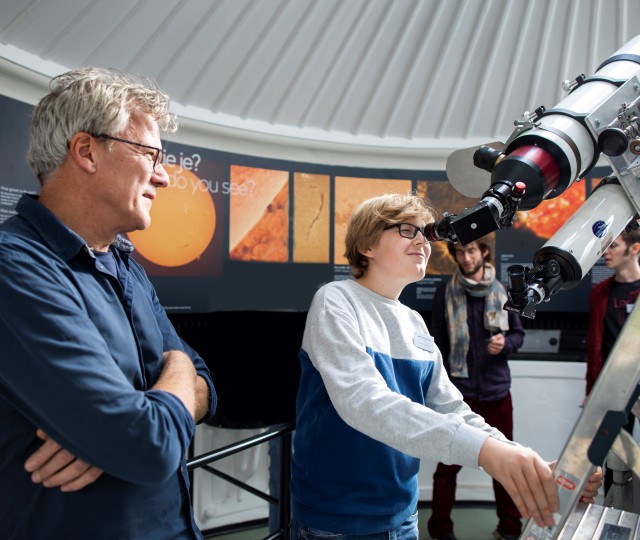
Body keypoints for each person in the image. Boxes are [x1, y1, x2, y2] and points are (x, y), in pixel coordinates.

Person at [289, 192, 601, 540]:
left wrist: (527, 463)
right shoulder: (336, 301)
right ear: (367, 245)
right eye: (408, 230)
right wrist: (486, 453)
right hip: (337, 519)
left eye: (426, 232)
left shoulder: (413, 323)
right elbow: (364, 401)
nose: (424, 240)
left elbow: (453, 409)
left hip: (402, 515)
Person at [0, 67, 216, 539]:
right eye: (151, 154)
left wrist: (114, 429)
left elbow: (206, 385)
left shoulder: (124, 264)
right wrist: (174, 377)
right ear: (86, 151)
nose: (163, 176)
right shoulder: (12, 266)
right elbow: (148, 445)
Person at [427, 238, 525, 540]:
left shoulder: (505, 291)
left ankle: (509, 529)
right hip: (460, 396)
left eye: (471, 251)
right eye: (460, 252)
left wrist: (505, 343)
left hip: (497, 393)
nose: (465, 258)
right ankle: (440, 530)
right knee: (447, 467)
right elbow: (437, 344)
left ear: (484, 252)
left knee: (505, 464)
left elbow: (519, 335)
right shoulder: (445, 291)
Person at [585, 225, 640, 495]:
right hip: (613, 388)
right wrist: (591, 394)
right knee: (612, 456)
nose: (606, 252)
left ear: (634, 249)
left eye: (614, 245)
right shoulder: (600, 294)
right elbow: (595, 349)